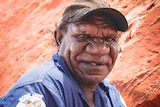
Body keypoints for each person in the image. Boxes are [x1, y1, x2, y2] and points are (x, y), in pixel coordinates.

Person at [0, 0, 128, 107]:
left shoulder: (111, 95)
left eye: (109, 39)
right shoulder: (39, 90)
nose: (99, 50)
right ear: (60, 37)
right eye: (83, 36)